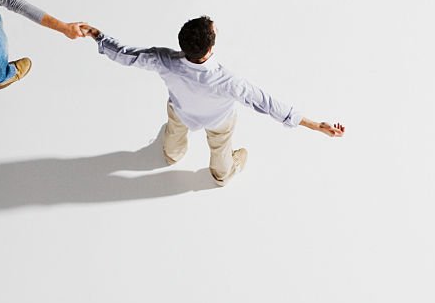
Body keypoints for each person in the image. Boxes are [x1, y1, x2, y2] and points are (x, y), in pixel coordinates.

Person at [80, 17, 345, 185]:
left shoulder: (164, 60)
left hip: (181, 113)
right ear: (210, 49)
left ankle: (172, 155)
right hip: (218, 121)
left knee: (172, 144)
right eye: (213, 30)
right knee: (221, 163)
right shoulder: (229, 82)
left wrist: (95, 34)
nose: (215, 26)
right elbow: (269, 104)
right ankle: (229, 169)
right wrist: (314, 125)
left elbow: (124, 54)